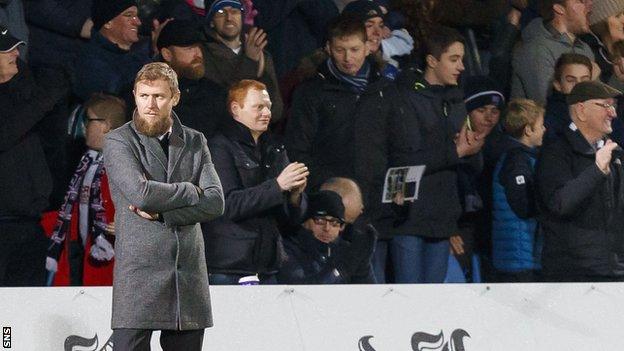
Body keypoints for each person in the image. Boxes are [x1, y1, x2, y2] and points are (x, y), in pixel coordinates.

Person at [103, 62, 224, 350]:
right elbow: (142, 194)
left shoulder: (195, 140)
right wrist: (190, 190)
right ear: (134, 95)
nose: (150, 104)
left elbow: (216, 202)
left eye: (158, 96)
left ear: (175, 97)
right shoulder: (118, 140)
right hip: (138, 272)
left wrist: (162, 212)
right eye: (144, 96)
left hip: (187, 272)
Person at [389, 25, 483, 283]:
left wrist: (473, 150)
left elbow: (467, 161)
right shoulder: (405, 98)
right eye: (453, 59)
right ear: (432, 61)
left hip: (442, 216)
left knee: (432, 302)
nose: (461, 66)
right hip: (408, 216)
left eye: (462, 59)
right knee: (409, 299)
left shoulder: (456, 101)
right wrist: (456, 151)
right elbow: (404, 161)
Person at [203, 79, 308, 285]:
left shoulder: (275, 148)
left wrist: (295, 197)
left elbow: (290, 221)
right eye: (258, 107)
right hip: (229, 266)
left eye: (268, 107)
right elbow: (227, 204)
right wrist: (277, 186)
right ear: (236, 109)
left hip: (268, 265)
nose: (267, 113)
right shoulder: (218, 147)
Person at [536, 80, 624, 282]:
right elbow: (560, 204)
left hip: (615, 272)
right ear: (581, 111)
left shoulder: (616, 155)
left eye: (614, 106)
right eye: (605, 105)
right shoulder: (556, 152)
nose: (613, 113)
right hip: (572, 274)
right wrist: (596, 170)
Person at [0, 26, 67, 286]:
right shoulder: (32, 100)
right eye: (6, 49)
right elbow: (5, 133)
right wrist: (45, 99)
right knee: (4, 322)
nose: (15, 53)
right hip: (4, 224)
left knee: (23, 312)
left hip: (29, 222)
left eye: (16, 47)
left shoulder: (23, 90)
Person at [46, 94, 126, 286]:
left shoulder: (126, 164)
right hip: (80, 253)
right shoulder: (87, 162)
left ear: (106, 125)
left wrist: (129, 224)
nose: (83, 127)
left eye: (88, 120)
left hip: (111, 260)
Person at [201, 0, 283, 122]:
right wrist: (250, 62)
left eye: (235, 11)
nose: (229, 18)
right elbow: (226, 107)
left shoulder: (261, 55)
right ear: (211, 21)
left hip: (258, 137)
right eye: (221, 12)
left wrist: (262, 73)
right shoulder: (202, 55)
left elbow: (275, 112)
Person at [492, 99, 546, 282]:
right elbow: (523, 206)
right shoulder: (517, 161)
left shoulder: (521, 157)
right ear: (528, 130)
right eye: (541, 125)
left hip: (520, 256)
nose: (545, 129)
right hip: (519, 258)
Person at [278, 189, 375, 284]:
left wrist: (363, 259)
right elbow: (302, 293)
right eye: (320, 221)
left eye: (334, 223)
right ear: (305, 222)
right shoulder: (288, 249)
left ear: (341, 227)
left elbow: (369, 294)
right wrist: (340, 270)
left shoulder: (347, 251)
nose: (327, 228)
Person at [511, 0, 595, 104]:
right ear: (559, 8)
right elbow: (546, 105)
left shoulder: (585, 49)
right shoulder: (536, 50)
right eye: (581, 1)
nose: (590, 4)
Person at [157, 19, 229, 138]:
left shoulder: (216, 93)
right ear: (167, 54)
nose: (198, 54)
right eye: (189, 48)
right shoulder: (148, 95)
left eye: (199, 47)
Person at [73, 0, 151, 103]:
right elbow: (108, 102)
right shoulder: (91, 61)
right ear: (108, 22)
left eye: (136, 16)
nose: (138, 22)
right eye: (129, 15)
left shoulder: (135, 54)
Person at [544, 53, 593, 142]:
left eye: (584, 80)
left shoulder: (602, 107)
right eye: (571, 80)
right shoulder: (551, 118)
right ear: (558, 85)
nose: (578, 85)